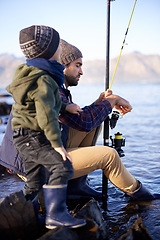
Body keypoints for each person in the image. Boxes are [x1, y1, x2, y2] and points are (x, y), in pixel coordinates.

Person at [0, 38, 160, 205]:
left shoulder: (51, 84)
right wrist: (111, 101)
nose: (81, 71)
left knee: (97, 118)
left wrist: (100, 104)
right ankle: (142, 196)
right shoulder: (48, 87)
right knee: (109, 155)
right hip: (35, 164)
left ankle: (76, 187)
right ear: (63, 66)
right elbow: (83, 121)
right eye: (77, 65)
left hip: (38, 152)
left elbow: (79, 119)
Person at [5, 25, 86, 229]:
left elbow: (41, 104)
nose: (61, 48)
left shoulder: (28, 73)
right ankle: (56, 215)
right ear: (49, 51)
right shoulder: (44, 79)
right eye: (58, 44)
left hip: (22, 136)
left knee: (35, 180)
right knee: (62, 165)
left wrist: (66, 107)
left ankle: (22, 214)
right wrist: (57, 145)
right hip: (33, 136)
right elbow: (46, 114)